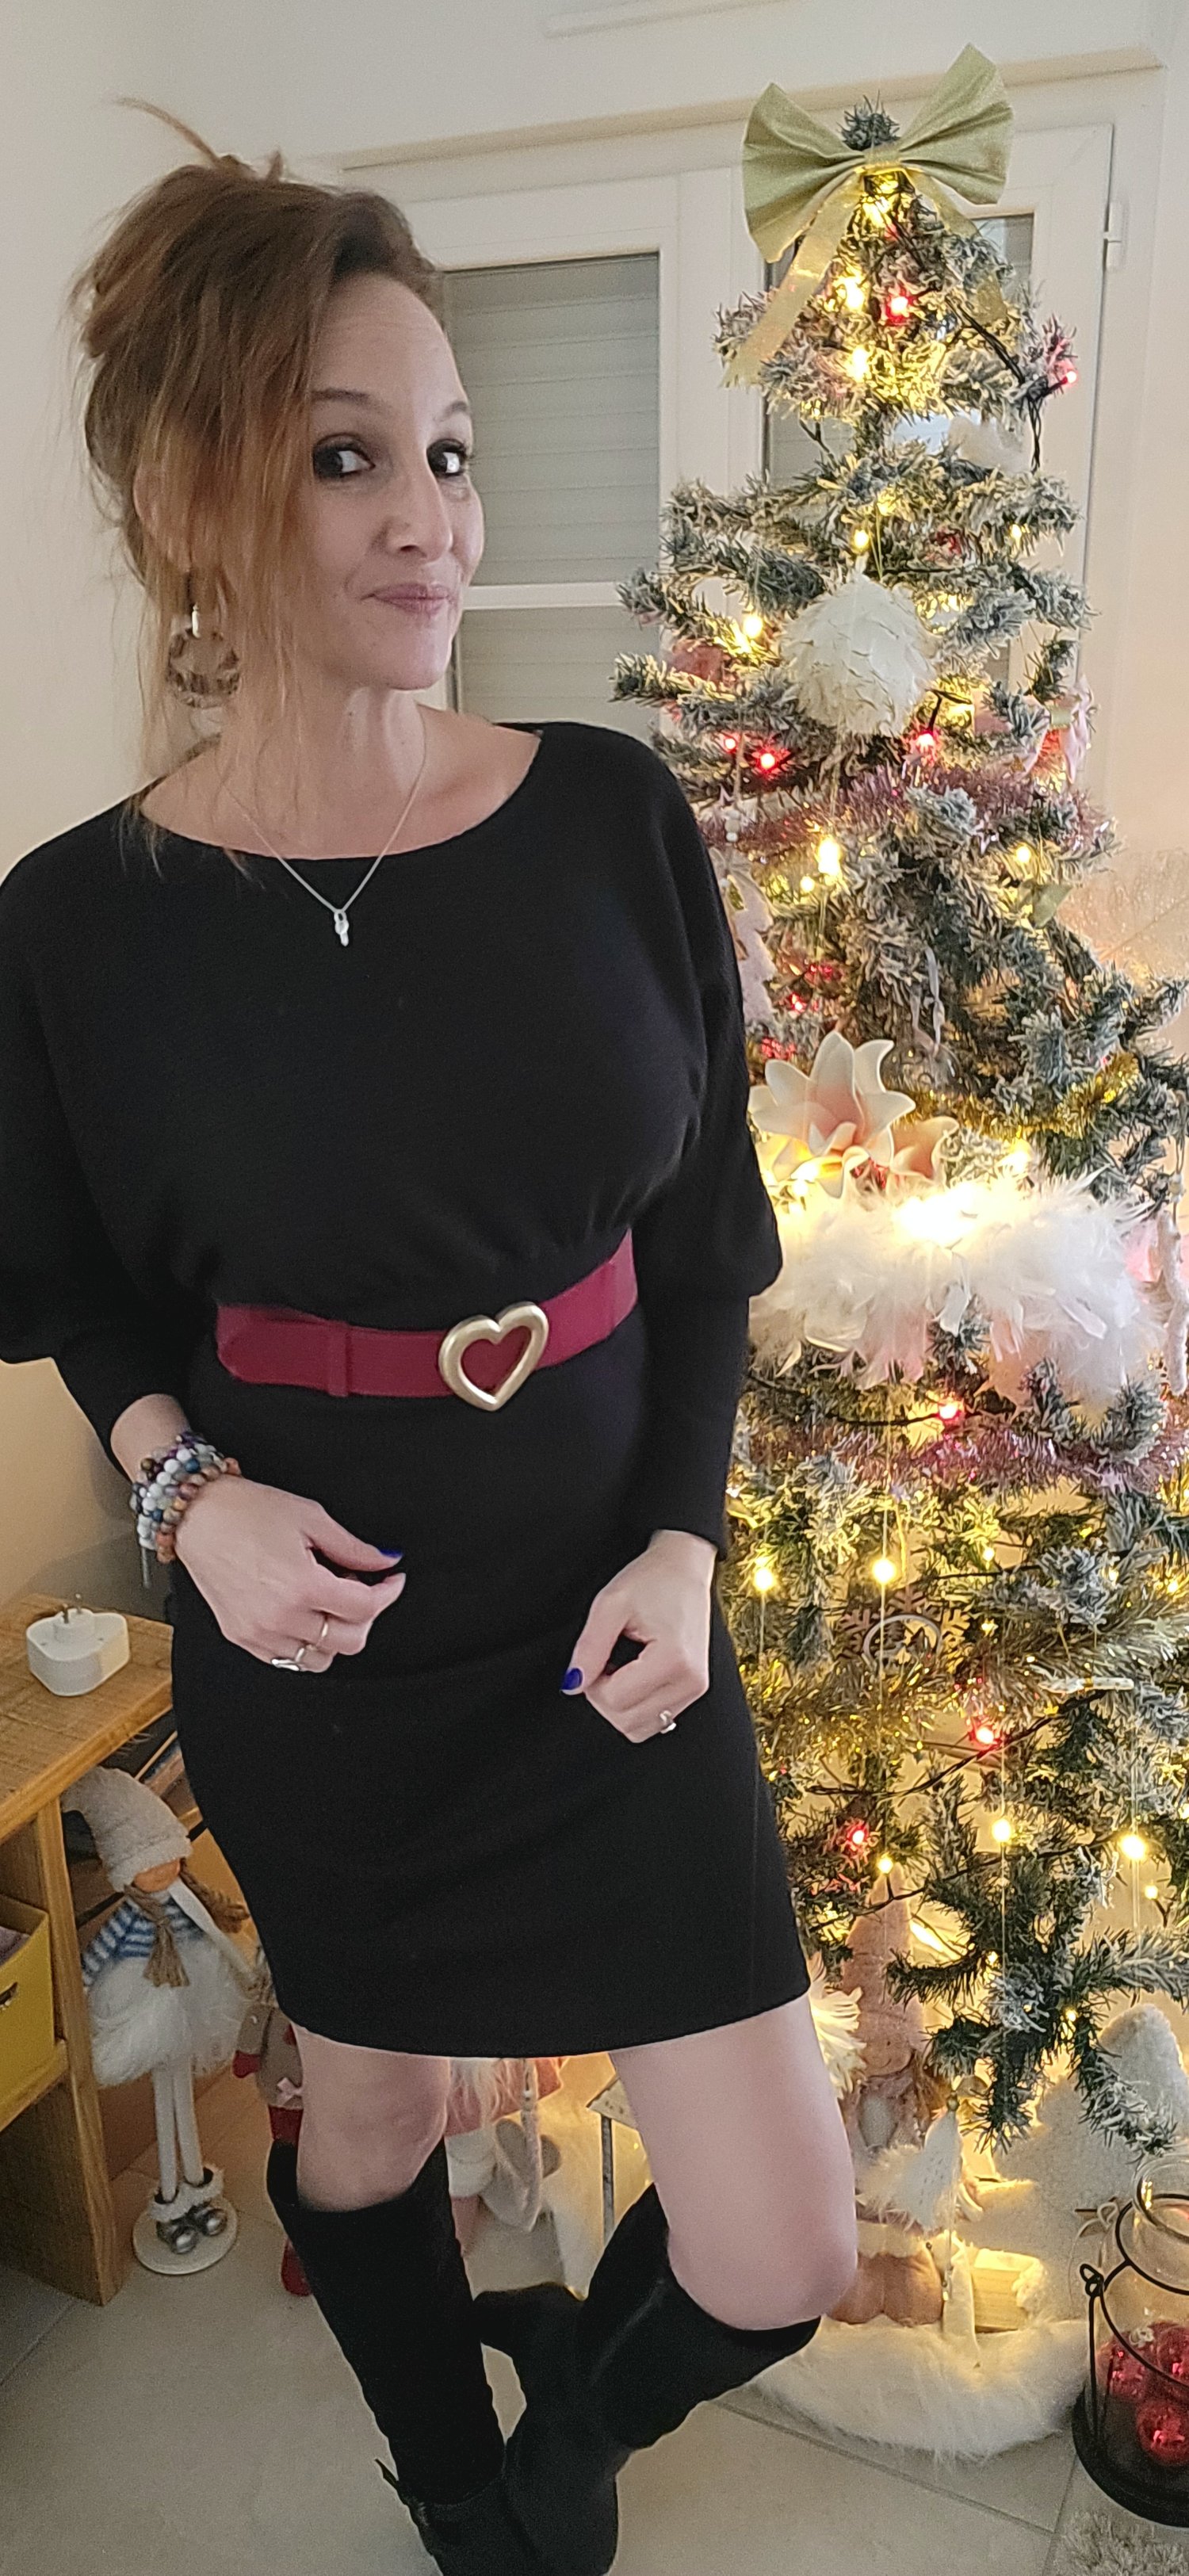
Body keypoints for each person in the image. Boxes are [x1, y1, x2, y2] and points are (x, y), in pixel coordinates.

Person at [0, 101, 856, 2576]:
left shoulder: (607, 819)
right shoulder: (76, 925)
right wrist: (186, 1497)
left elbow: (698, 1240)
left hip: (613, 1627)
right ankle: (458, 2488)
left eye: (451, 452)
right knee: (365, 2120)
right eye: (346, 454)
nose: (431, 519)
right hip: (329, 1653)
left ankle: (569, 2398)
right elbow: (85, 1293)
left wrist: (684, 1541)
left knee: (778, 2240)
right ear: (192, 499)